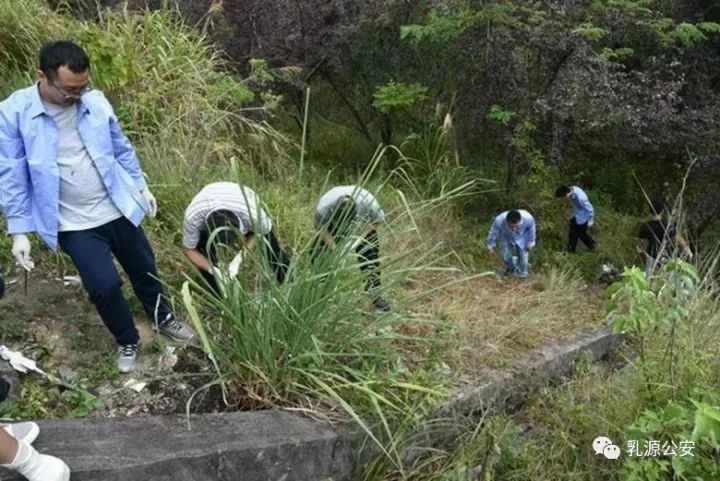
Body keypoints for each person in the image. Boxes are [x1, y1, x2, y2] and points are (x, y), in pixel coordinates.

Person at [0, 41, 193, 374]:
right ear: (42, 77)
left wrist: (141, 186)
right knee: (102, 285)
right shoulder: (13, 113)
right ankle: (126, 338)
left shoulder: (95, 103)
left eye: (83, 87)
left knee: (144, 268)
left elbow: (121, 148)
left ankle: (163, 317)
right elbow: (11, 172)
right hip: (72, 222)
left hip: (116, 205)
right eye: (69, 91)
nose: (77, 97)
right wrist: (19, 229)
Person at [183, 182, 290, 293]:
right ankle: (221, 294)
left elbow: (259, 234)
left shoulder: (253, 215)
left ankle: (289, 283)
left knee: (271, 248)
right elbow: (190, 250)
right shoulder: (193, 218)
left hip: (241, 199)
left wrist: (238, 260)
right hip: (207, 201)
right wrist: (213, 270)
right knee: (204, 251)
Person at [311, 185, 390, 311]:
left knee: (371, 259)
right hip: (332, 227)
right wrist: (336, 250)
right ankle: (322, 292)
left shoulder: (368, 203)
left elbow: (377, 221)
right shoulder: (324, 208)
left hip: (362, 226)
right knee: (316, 254)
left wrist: (358, 240)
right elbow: (322, 229)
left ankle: (376, 295)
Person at [637, 199, 692, 277]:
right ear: (662, 210)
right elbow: (680, 240)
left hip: (652, 258)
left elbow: (640, 245)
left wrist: (642, 253)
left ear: (650, 210)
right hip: (668, 257)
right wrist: (688, 252)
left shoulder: (645, 227)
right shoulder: (669, 225)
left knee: (649, 280)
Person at [487, 210, 537, 279]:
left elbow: (532, 230)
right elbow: (493, 232)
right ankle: (511, 268)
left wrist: (531, 242)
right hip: (507, 237)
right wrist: (490, 245)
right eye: (511, 226)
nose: (514, 229)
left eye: (516, 226)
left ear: (520, 221)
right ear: (507, 222)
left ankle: (522, 275)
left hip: (523, 237)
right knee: (505, 256)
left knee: (523, 259)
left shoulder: (528, 218)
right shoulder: (499, 220)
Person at [555, 184, 596, 253]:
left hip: (584, 217)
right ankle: (571, 251)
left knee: (581, 234)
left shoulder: (581, 198)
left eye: (563, 197)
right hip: (576, 215)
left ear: (567, 194)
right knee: (572, 234)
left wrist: (590, 220)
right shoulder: (572, 189)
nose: (564, 199)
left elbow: (590, 209)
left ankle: (592, 246)